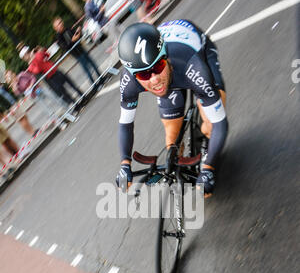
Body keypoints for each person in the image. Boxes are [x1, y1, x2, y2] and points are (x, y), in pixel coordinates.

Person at [116, 20, 228, 196]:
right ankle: (180, 164)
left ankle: (207, 150)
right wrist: (124, 164)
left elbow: (220, 122)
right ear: (133, 75)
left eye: (158, 66)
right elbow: (125, 123)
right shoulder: (128, 81)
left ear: (165, 56)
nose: (153, 80)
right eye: (144, 74)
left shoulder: (193, 67)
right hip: (172, 67)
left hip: (195, 53)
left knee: (211, 123)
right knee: (171, 134)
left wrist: (208, 168)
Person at [19, 45, 84, 109]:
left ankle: (83, 96)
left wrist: (41, 50)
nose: (29, 53)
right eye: (26, 53)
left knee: (71, 84)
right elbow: (38, 70)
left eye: (28, 51)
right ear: (24, 58)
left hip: (55, 71)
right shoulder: (30, 67)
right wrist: (34, 59)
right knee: (63, 92)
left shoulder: (37, 54)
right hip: (50, 79)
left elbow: (47, 54)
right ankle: (75, 105)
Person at [53, 17, 103, 86]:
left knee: (92, 63)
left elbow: (76, 35)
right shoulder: (58, 37)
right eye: (58, 24)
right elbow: (65, 47)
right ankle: (94, 84)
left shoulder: (68, 28)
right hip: (76, 54)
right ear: (56, 28)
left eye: (61, 22)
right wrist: (72, 41)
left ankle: (101, 78)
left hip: (81, 49)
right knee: (87, 69)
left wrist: (78, 32)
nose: (61, 24)